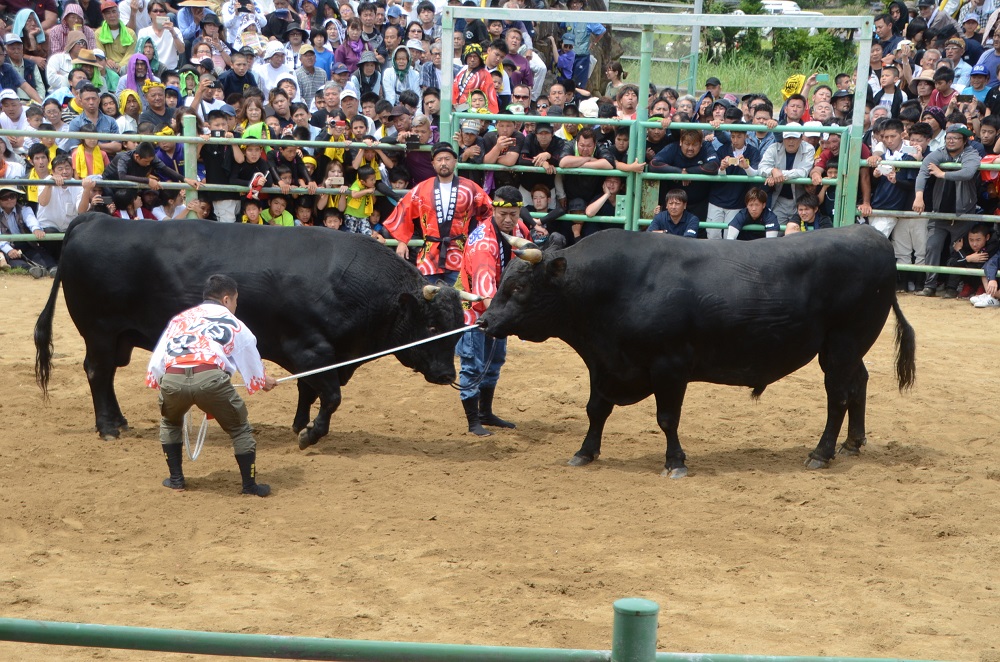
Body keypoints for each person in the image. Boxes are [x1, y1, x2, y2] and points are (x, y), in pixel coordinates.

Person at [145, 274, 278, 496]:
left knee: (170, 423)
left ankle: (176, 479)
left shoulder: (180, 319)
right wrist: (262, 381)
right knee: (239, 429)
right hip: (210, 379)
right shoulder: (233, 322)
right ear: (226, 299)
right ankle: (249, 486)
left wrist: (164, 383)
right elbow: (249, 356)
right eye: (235, 300)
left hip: (173, 377)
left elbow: (158, 361)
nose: (236, 306)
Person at [455, 184, 524, 436]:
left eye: (513, 214)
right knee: (473, 364)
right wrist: (506, 320)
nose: (508, 220)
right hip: (476, 309)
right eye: (502, 214)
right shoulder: (485, 245)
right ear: (493, 209)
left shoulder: (516, 228)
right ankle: (474, 421)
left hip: (498, 306)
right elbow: (485, 294)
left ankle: (486, 412)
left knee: (494, 362)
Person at [384, 141, 494, 284]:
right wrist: (402, 241)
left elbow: (489, 212)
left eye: (447, 159)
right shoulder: (423, 188)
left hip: (459, 252)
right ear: (433, 164)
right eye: (439, 160)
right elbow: (404, 210)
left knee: (460, 297)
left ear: (455, 162)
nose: (443, 163)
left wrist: (480, 240)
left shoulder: (470, 187)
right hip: (430, 253)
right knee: (427, 297)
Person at [913, 124, 981, 296]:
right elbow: (923, 171)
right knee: (932, 246)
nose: (951, 141)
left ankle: (951, 288)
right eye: (949, 137)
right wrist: (918, 196)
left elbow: (968, 172)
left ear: (964, 141)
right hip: (939, 212)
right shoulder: (940, 153)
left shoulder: (971, 153)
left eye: (956, 138)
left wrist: (943, 174)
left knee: (956, 250)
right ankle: (930, 286)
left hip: (963, 213)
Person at [944, 223, 997, 300]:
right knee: (959, 263)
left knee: (983, 266)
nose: (974, 244)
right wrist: (967, 258)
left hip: (987, 279)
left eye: (978, 240)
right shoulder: (963, 243)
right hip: (968, 277)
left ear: (987, 237)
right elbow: (951, 262)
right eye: (971, 240)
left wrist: (961, 252)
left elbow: (981, 263)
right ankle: (952, 289)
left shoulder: (992, 244)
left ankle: (981, 287)